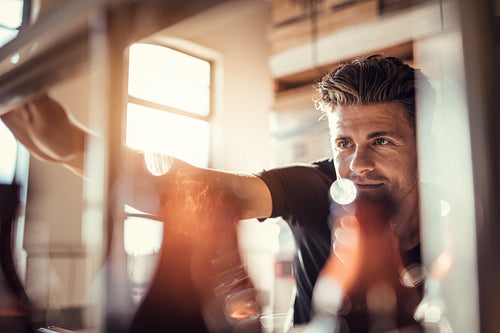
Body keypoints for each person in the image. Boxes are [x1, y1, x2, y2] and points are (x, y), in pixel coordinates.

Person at [1, 55, 434, 331]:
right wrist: (73, 147)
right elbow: (197, 191)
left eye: (381, 140)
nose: (357, 165)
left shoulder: (466, 216)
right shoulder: (315, 187)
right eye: (344, 143)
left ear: (426, 143)